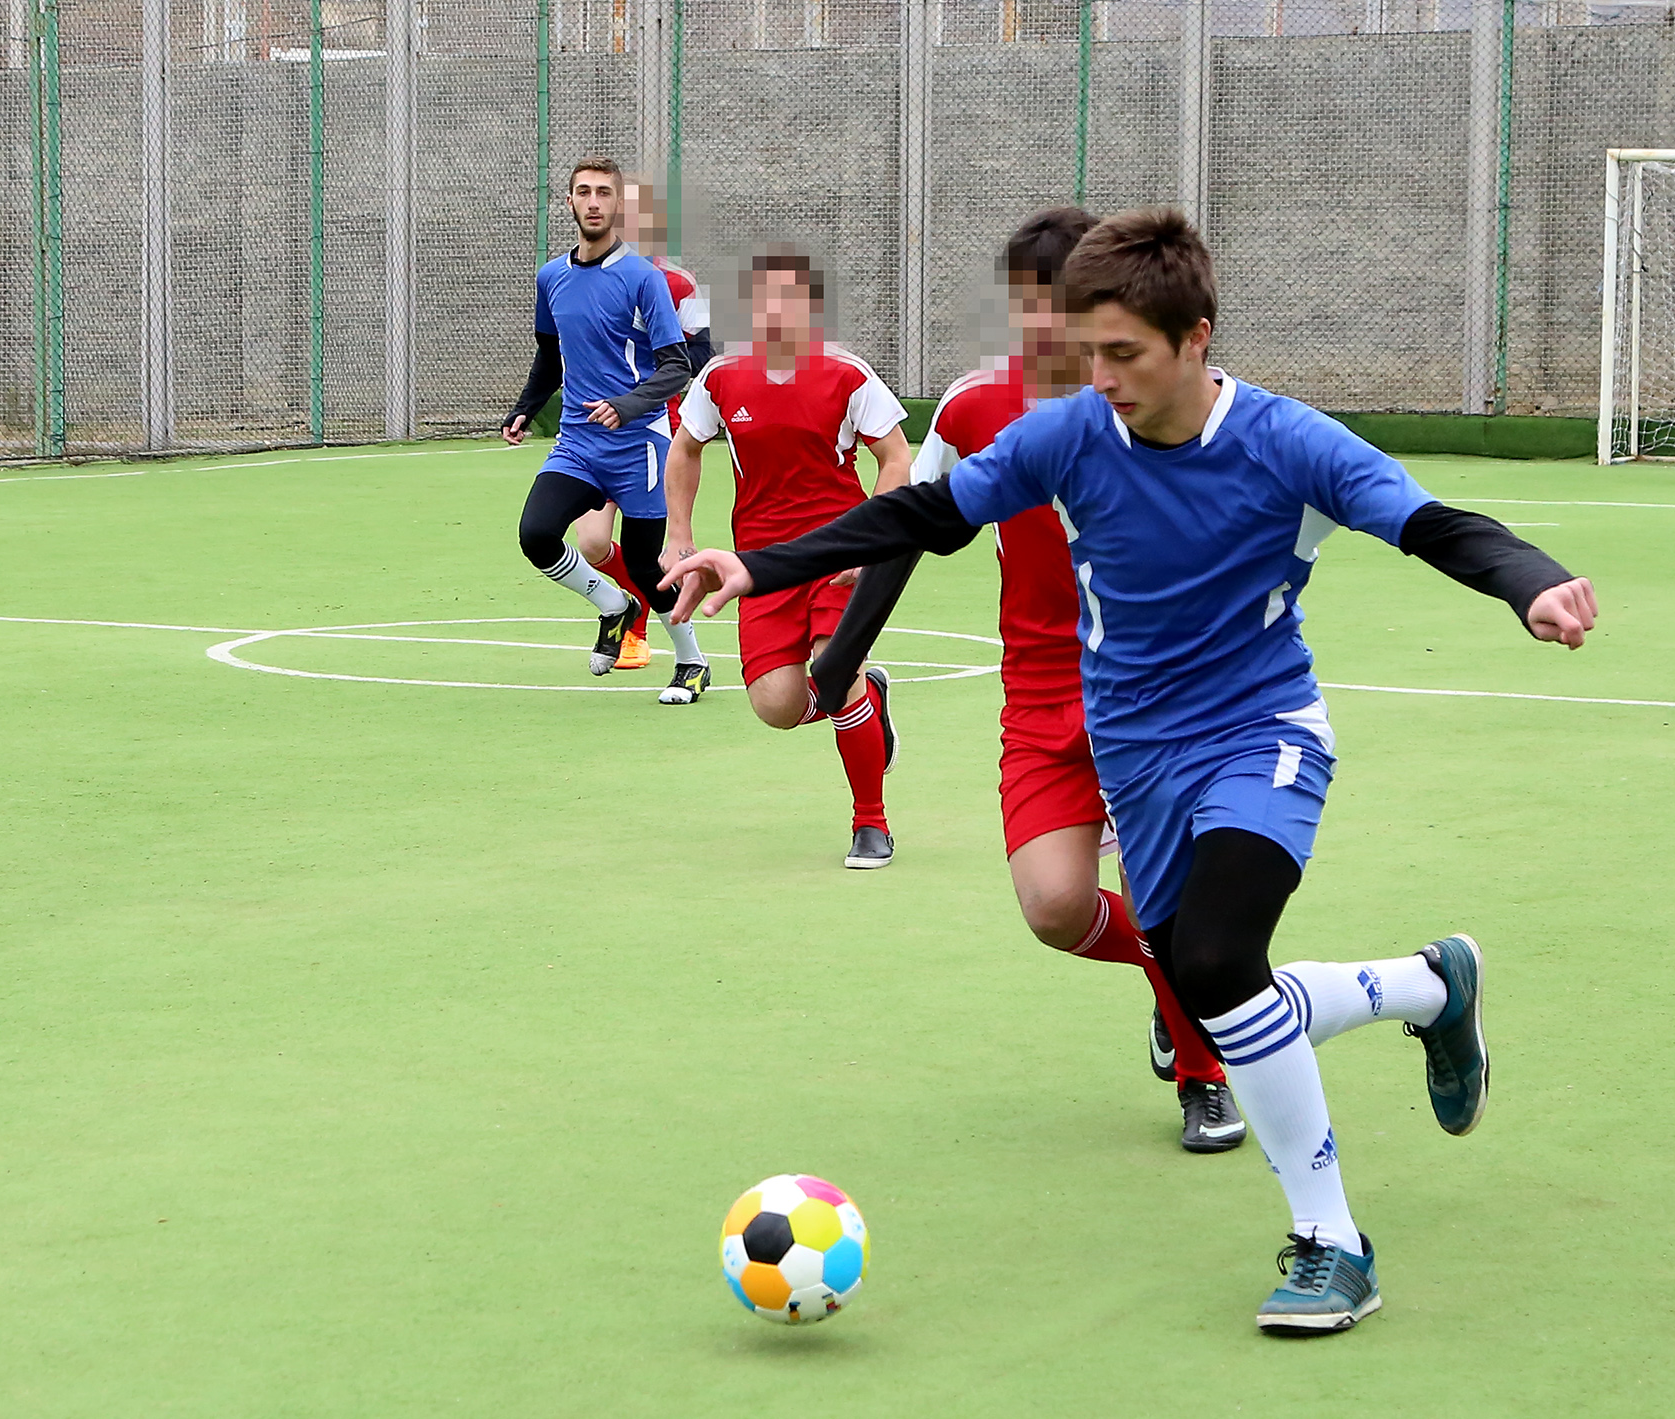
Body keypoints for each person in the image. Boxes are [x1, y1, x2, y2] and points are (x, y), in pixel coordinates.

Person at [663, 207, 1597, 1334]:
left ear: (1195, 338)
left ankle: (1330, 1241)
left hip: (1261, 731)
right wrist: (755, 565)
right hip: (1132, 745)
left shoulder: (1286, 440)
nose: (1094, 376)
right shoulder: (1069, 434)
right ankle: (1428, 986)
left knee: (1211, 958)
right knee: (1204, 972)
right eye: (1083, 349)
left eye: (1122, 355)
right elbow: (926, 512)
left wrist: (1530, 583)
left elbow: (1434, 523)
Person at [911, 208, 1244, 1152]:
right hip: (1038, 690)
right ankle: (1170, 979)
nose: (1038, 332)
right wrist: (844, 648)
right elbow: (919, 520)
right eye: (1023, 310)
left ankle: (1202, 1070)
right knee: (1055, 908)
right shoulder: (976, 406)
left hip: (1149, 688)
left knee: (1165, 890)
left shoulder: (1156, 407)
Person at [664, 245, 910, 869]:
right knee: (777, 706)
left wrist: (872, 540)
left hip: (838, 554)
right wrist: (679, 534)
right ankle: (870, 702)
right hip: (761, 565)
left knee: (833, 671)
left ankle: (871, 823)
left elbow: (897, 460)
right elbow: (685, 449)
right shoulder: (721, 378)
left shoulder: (846, 374)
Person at [502, 156, 711, 704]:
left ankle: (691, 661)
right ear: (569, 202)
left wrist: (626, 404)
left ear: (618, 206)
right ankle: (614, 605)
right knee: (536, 535)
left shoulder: (642, 277)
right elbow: (551, 354)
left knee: (645, 562)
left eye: (603, 193)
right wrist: (526, 406)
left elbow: (676, 365)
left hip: (640, 444)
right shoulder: (552, 276)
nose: (593, 201)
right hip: (577, 442)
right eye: (583, 192)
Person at [571, 179, 712, 672]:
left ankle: (645, 636)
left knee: (650, 551)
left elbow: (698, 352)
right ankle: (628, 608)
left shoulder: (677, 283)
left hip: (653, 429)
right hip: (596, 427)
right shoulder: (580, 276)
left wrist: (644, 358)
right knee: (590, 543)